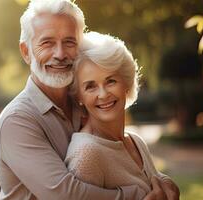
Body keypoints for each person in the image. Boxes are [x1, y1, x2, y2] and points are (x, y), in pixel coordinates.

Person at [65, 32, 180, 200]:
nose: (103, 94)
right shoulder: (87, 154)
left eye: (110, 81)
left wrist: (169, 187)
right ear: (79, 97)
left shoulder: (136, 141)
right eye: (90, 86)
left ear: (126, 82)